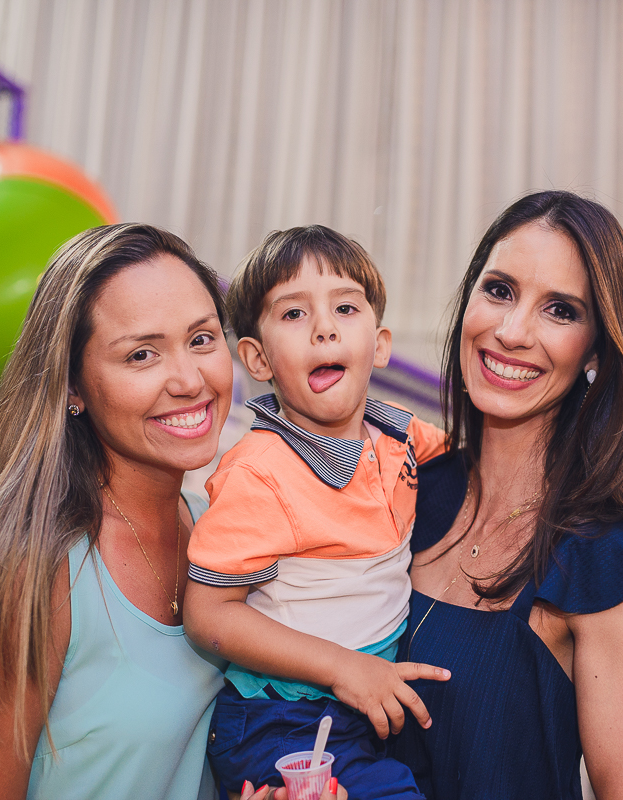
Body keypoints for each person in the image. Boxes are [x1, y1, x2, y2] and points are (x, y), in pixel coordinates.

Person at [0, 223, 339, 800]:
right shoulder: (26, 571)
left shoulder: (219, 525)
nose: (190, 380)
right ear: (72, 386)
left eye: (203, 339)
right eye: (141, 354)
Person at [389, 190, 623, 799]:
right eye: (499, 290)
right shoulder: (404, 489)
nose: (511, 331)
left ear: (596, 354)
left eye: (560, 310)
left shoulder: (603, 563)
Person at [184, 226, 450, 798]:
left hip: (362, 708)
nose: (325, 327)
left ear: (378, 345)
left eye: (345, 308)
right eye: (295, 314)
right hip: (281, 722)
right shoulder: (260, 471)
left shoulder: (398, 433)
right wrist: (342, 668)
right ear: (257, 359)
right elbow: (208, 616)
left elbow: (476, 459)